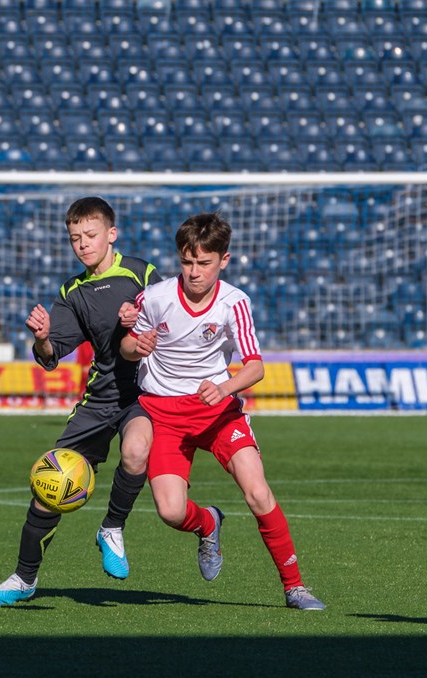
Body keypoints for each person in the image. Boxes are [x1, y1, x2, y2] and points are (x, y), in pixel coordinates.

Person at [120, 212, 326, 611]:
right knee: (170, 511)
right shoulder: (156, 297)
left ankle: (295, 587)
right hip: (162, 413)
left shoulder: (235, 303)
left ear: (224, 260)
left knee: (258, 493)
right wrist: (136, 347)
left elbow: (256, 365)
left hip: (217, 412)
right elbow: (128, 346)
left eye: (204, 263)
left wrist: (224, 387)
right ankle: (208, 523)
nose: (194, 272)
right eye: (187, 262)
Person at [0, 197, 158, 605]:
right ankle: (24, 579)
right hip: (101, 398)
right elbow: (49, 357)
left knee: (136, 450)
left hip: (144, 393)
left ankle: (111, 527)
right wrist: (42, 337)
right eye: (74, 238)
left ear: (111, 234)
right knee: (50, 484)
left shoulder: (141, 273)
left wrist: (142, 320)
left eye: (90, 235)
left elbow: (169, 322)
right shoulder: (72, 292)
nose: (82, 244)